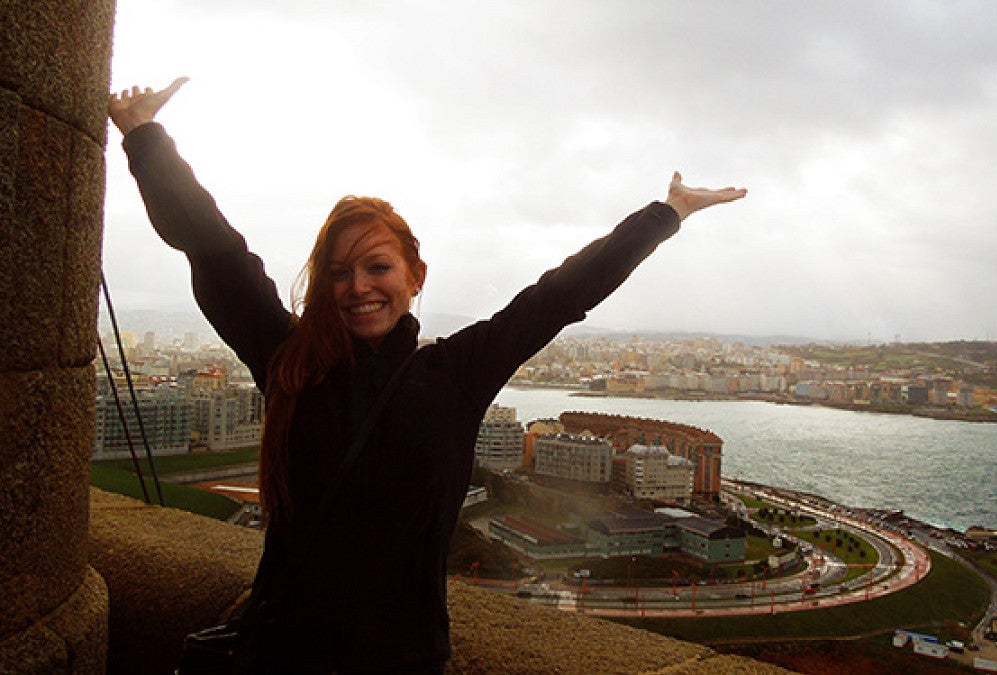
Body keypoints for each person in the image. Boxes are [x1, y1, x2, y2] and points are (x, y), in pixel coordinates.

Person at [109, 77, 746, 673]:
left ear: (416, 276)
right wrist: (144, 138)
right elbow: (218, 250)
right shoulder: (290, 359)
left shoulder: (457, 372)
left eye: (377, 268)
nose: (357, 288)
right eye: (339, 273)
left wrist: (667, 214)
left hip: (400, 660)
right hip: (280, 650)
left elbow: (560, 294)